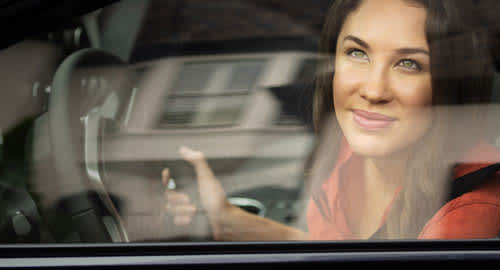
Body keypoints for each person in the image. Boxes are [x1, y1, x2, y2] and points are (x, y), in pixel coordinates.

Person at [162, 0, 500, 240]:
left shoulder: (468, 211)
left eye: (408, 64)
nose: (373, 90)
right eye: (357, 53)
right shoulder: (344, 152)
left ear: (449, 85)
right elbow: (332, 251)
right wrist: (226, 219)